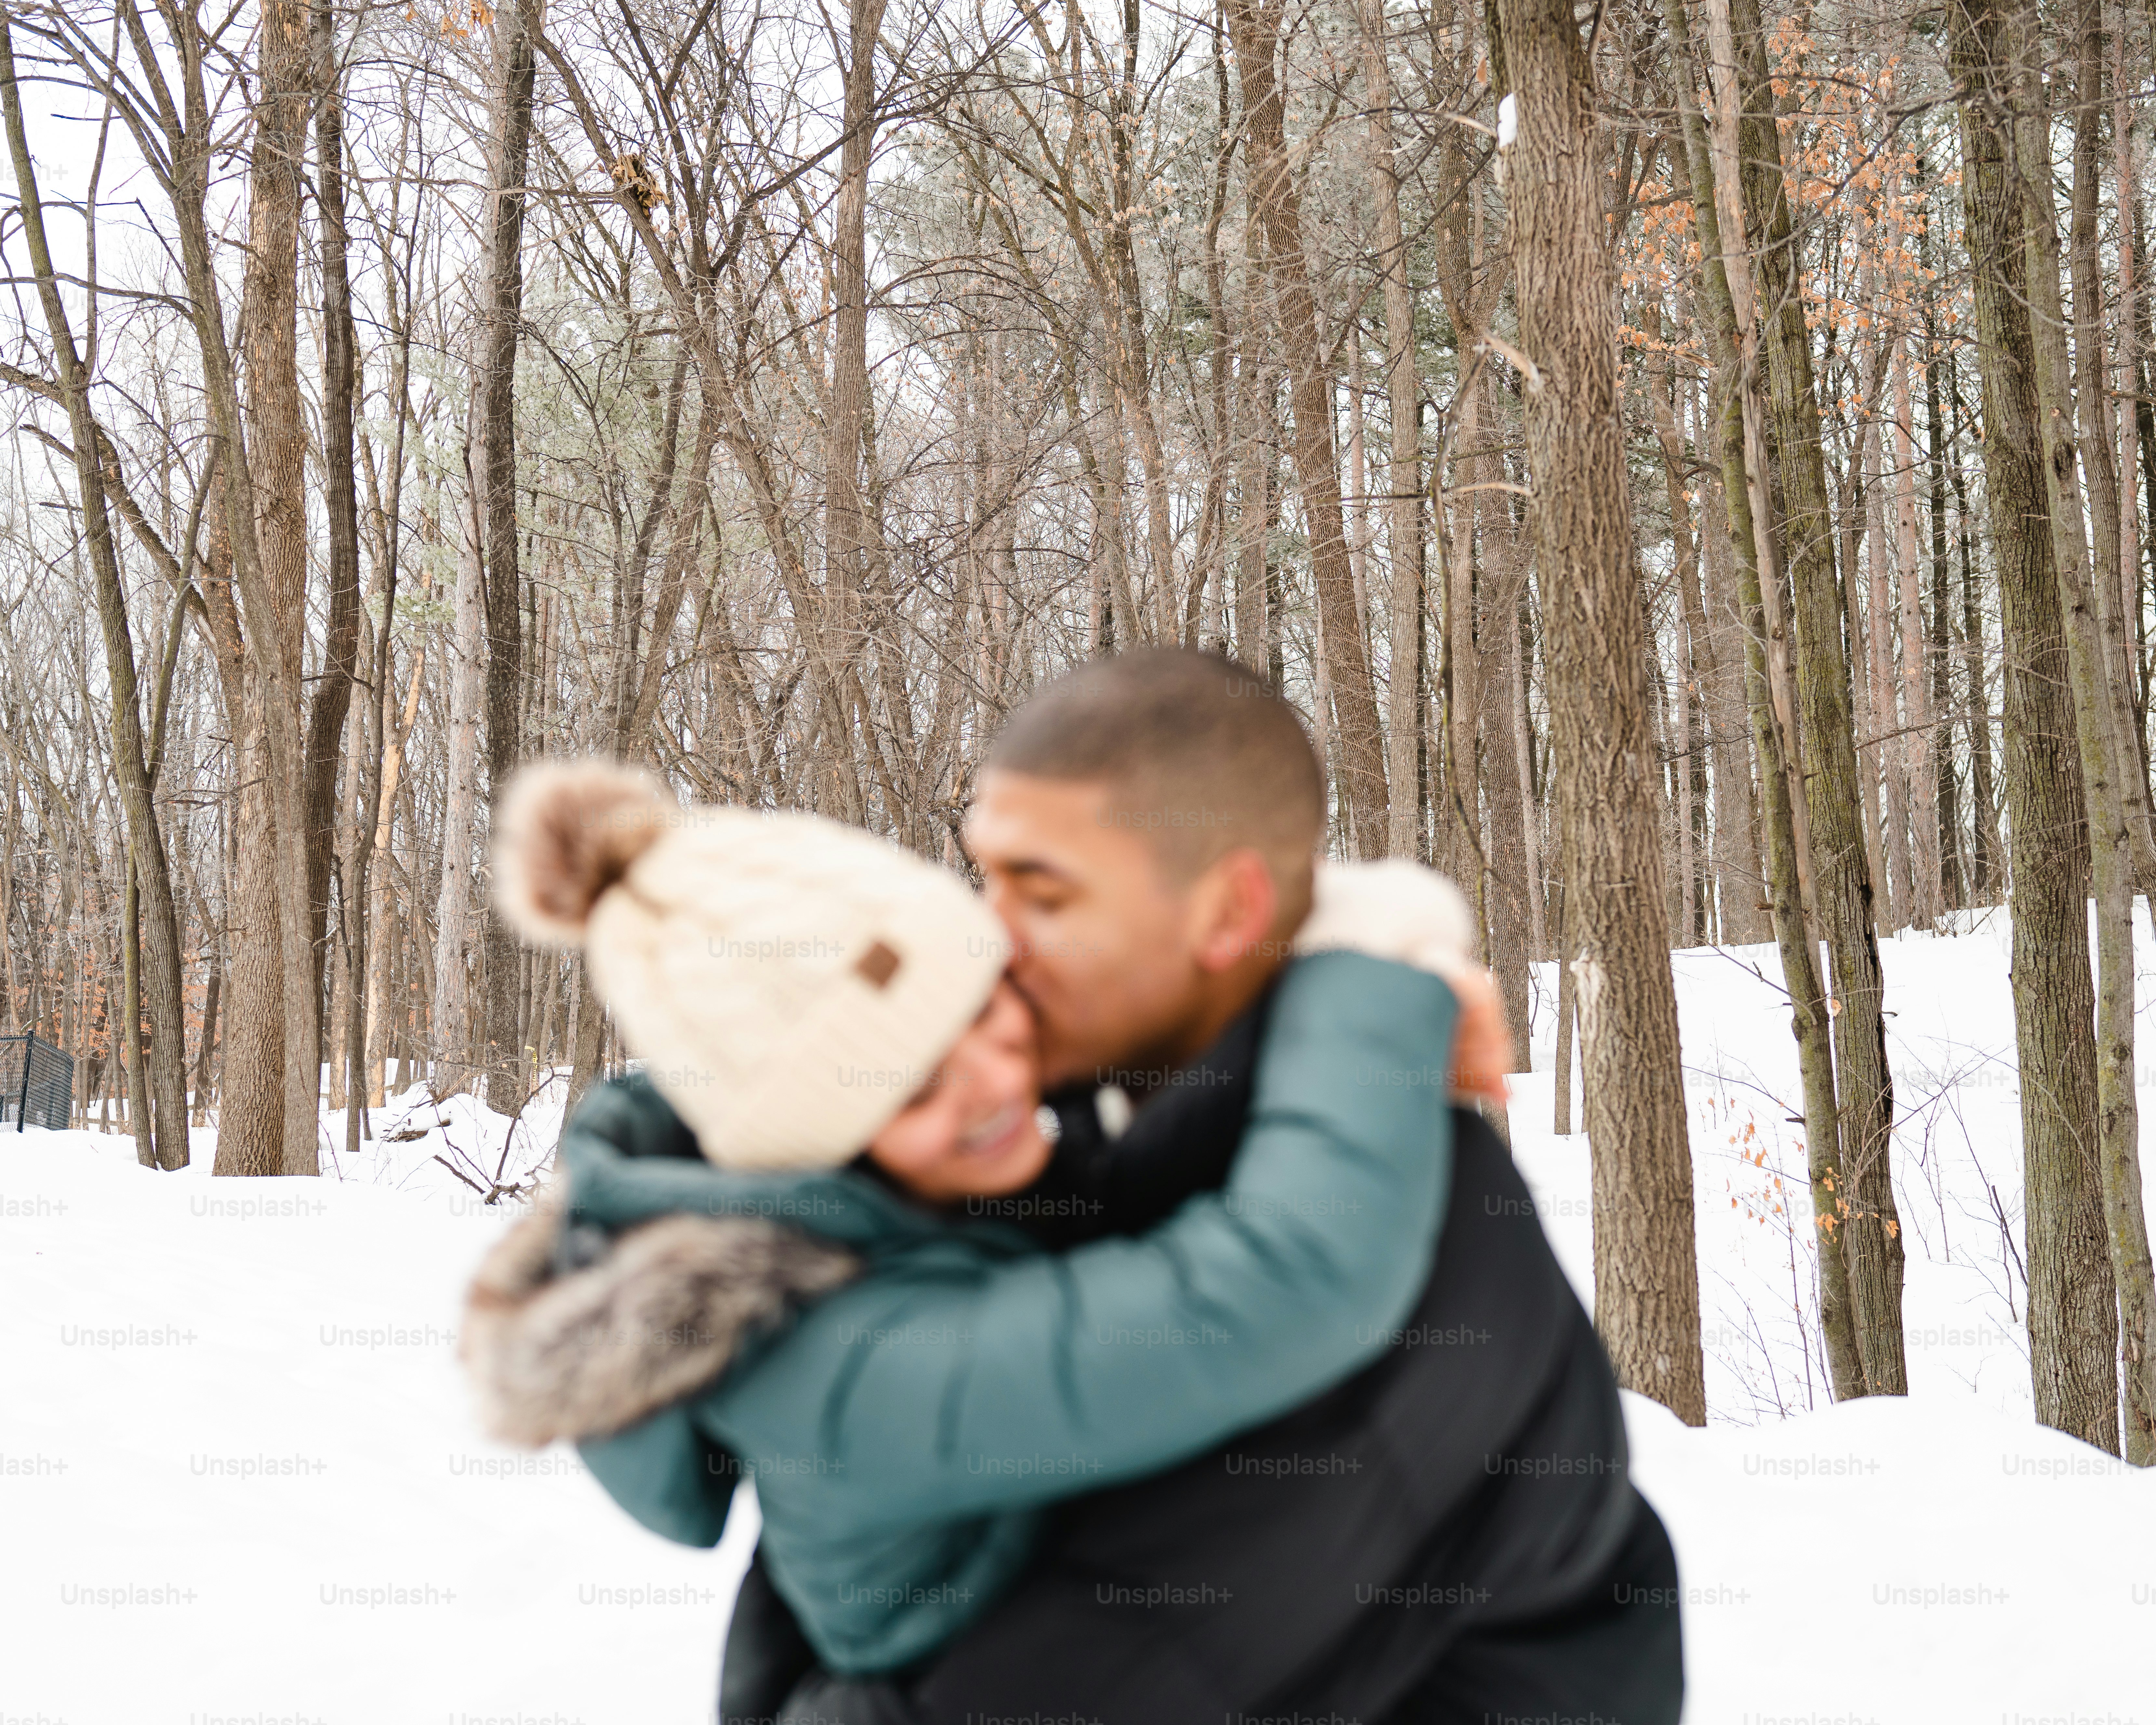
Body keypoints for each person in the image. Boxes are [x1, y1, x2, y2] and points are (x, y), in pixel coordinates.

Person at [467, 649, 1684, 1725]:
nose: (996, 945)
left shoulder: (1399, 1246)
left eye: (1038, 897)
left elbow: (1119, 1648)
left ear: (1229, 913)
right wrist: (1365, 969)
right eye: (981, 886)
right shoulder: (910, 1250)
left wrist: (1360, 975)